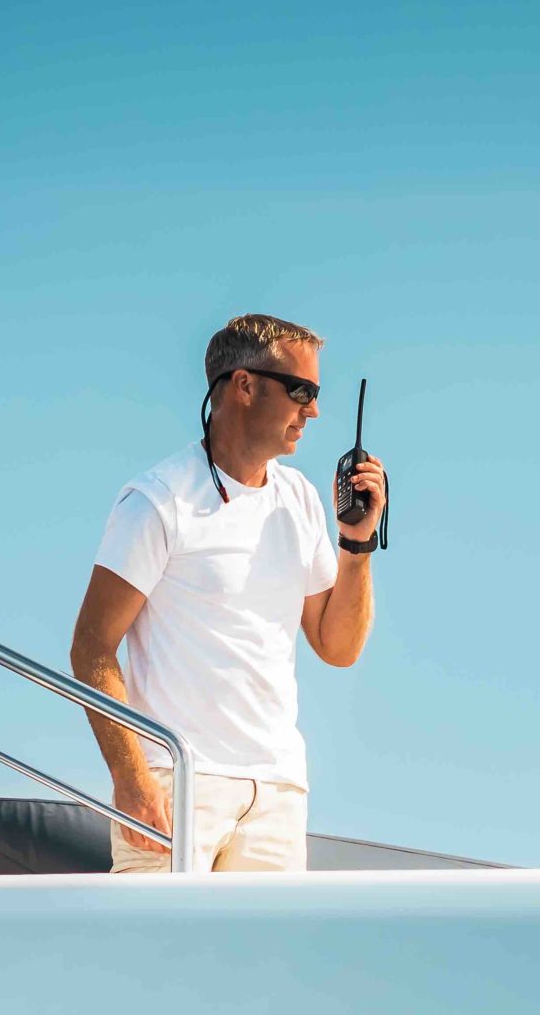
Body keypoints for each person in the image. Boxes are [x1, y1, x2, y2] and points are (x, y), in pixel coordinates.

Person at [69, 314, 387, 872]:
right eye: (301, 391)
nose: (312, 411)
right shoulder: (158, 500)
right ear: (244, 385)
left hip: (277, 790)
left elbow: (338, 648)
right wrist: (132, 780)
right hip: (176, 782)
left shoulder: (301, 499)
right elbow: (92, 648)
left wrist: (356, 545)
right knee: (153, 959)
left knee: (269, 963)